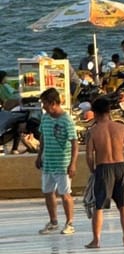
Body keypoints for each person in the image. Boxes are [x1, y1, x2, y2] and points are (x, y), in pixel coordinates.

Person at [85, 97, 124, 248]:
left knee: (99, 206)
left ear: (95, 113)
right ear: (109, 112)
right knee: (123, 205)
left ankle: (96, 240)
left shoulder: (93, 131)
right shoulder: (121, 128)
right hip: (120, 167)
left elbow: (89, 155)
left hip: (103, 168)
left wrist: (92, 170)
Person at [36, 87, 78, 235]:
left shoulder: (66, 120)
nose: (43, 106)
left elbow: (74, 143)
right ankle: (53, 221)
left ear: (53, 103)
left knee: (65, 193)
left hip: (62, 163)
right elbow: (42, 137)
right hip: (48, 162)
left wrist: (72, 163)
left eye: (45, 103)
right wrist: (39, 155)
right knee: (48, 192)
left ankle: (70, 223)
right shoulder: (45, 118)